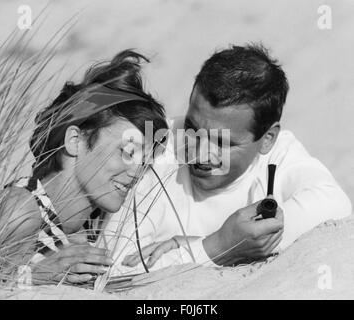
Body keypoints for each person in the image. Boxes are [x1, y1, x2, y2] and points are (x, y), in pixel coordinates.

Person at [102, 44, 352, 274]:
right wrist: (219, 247)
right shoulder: (157, 147)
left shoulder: (280, 155)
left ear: (267, 139)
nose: (199, 154)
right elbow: (115, 270)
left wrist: (201, 246)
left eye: (222, 142)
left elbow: (335, 207)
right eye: (192, 129)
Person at [0, 50, 168, 284]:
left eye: (145, 161)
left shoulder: (99, 221)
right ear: (75, 140)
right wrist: (35, 275)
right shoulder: (21, 210)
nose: (137, 172)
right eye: (128, 152)